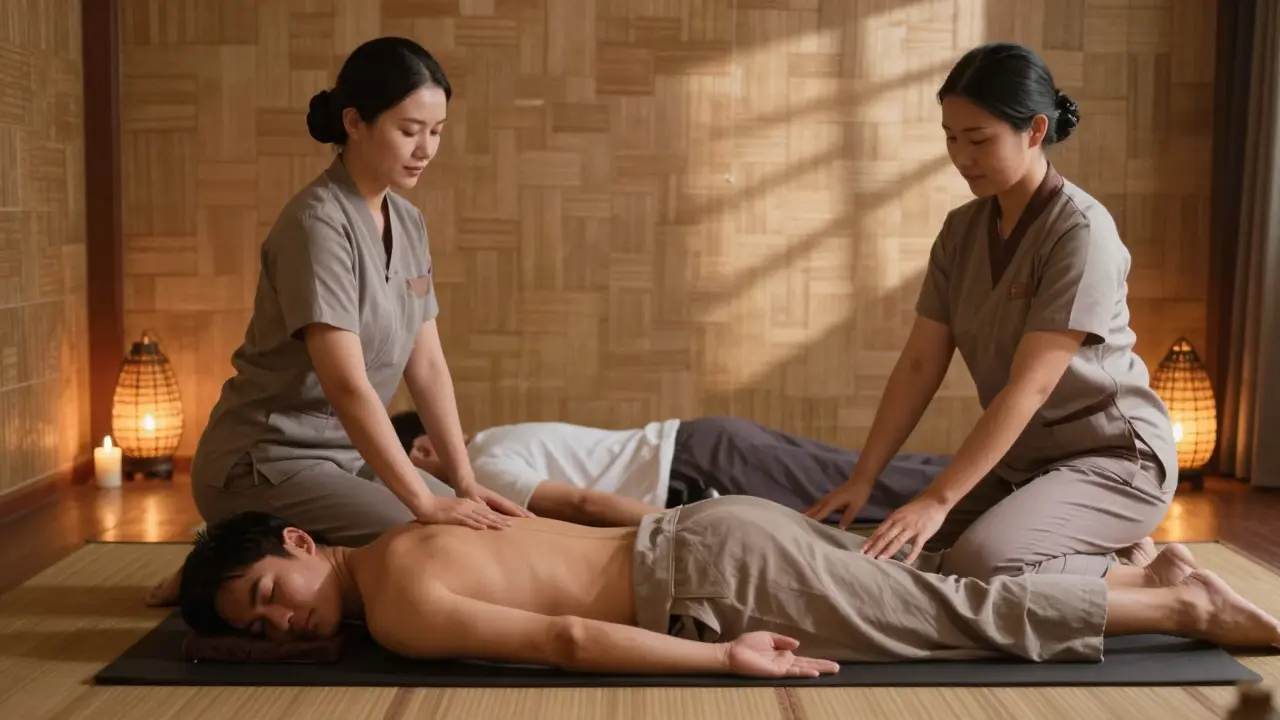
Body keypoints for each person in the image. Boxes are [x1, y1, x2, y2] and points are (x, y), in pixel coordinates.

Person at [807, 42, 1178, 580]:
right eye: (951, 138)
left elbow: (1032, 387)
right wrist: (862, 479)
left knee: (983, 562)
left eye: (979, 139)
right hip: (1023, 465)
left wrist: (939, 499)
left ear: (1035, 130)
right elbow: (919, 365)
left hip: (1114, 460)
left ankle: (1152, 581)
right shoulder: (960, 231)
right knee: (906, 555)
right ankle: (1120, 553)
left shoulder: (1081, 232)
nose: (962, 157)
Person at [177, 498, 1280, 678]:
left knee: (949, 620)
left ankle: (1185, 610)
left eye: (268, 589)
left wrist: (722, 657)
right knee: (933, 580)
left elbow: (566, 640)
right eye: (260, 628)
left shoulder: (402, 609)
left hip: (710, 573)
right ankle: (1148, 571)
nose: (280, 619)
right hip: (711, 529)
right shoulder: (421, 523)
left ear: (300, 539)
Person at [185, 39, 530, 565]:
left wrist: (463, 482)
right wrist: (423, 505)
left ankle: (225, 567)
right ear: (354, 122)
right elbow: (346, 384)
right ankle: (227, 560)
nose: (426, 149)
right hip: (266, 462)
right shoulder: (316, 225)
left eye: (436, 131)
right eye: (409, 130)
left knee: (491, 532)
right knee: (439, 545)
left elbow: (428, 366)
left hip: (351, 456)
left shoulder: (409, 223)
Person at [389, 411, 949, 527]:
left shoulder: (485, 463)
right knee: (864, 475)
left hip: (703, 464)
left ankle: (981, 485)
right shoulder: (498, 436)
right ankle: (979, 477)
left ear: (420, 451)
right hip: (706, 445)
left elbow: (583, 504)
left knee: (868, 490)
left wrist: (684, 531)